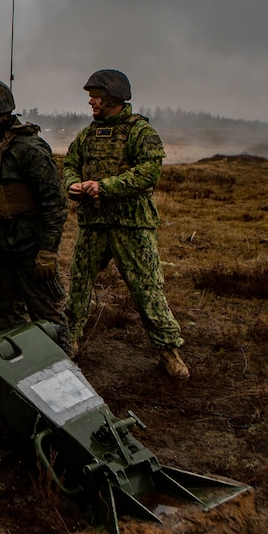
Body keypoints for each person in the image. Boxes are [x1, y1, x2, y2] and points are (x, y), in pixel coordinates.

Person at [61, 69, 190, 379]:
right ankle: (69, 341)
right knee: (78, 284)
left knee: (147, 288)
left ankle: (168, 351)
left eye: (96, 96)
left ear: (114, 99)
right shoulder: (88, 135)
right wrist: (73, 184)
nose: (91, 101)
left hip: (131, 226)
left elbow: (148, 173)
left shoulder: (140, 132)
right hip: (94, 225)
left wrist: (104, 187)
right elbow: (69, 165)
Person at [0, 81, 68, 329]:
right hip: (2, 245)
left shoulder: (29, 149)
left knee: (46, 312)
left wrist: (48, 252)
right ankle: (22, 355)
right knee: (6, 309)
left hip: (30, 247)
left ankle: (62, 357)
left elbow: (55, 203)